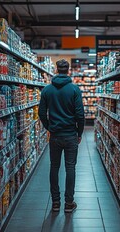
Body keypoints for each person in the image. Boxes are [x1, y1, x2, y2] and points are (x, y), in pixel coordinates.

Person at [38, 59, 85, 213]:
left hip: (55, 136)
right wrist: (79, 132)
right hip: (71, 135)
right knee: (70, 167)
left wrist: (49, 127)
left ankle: (56, 203)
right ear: (68, 70)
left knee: (54, 167)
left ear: (57, 69)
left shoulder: (47, 90)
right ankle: (69, 203)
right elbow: (80, 114)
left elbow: (41, 113)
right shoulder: (74, 89)